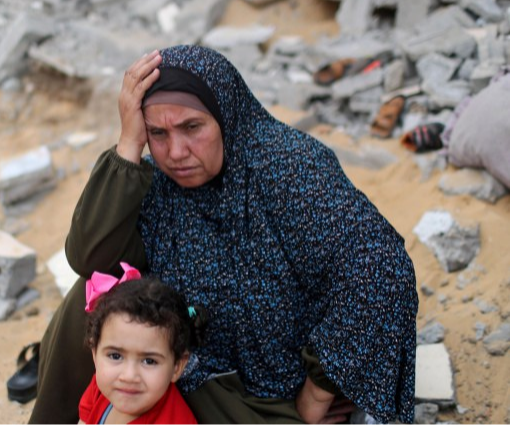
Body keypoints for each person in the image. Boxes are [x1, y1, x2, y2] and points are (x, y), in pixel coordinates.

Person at [30, 45, 417, 424]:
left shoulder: (289, 169)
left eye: (192, 127)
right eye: (157, 133)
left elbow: (383, 270)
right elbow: (90, 258)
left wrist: (317, 392)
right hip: (182, 364)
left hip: (267, 392)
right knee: (93, 290)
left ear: (225, 115)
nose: (176, 151)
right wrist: (129, 143)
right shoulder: (159, 184)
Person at [79, 263, 201, 424]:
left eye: (149, 361)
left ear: (177, 366)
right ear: (95, 353)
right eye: (115, 356)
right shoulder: (99, 388)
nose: (129, 376)